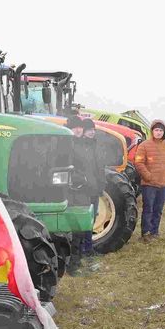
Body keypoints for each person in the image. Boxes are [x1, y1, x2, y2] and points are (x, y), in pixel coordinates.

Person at [68, 117, 102, 275]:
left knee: (90, 220)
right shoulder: (69, 145)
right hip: (78, 190)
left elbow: (96, 168)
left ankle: (84, 253)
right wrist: (83, 180)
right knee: (78, 226)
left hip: (91, 188)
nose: (78, 130)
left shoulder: (90, 146)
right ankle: (74, 262)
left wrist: (100, 184)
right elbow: (71, 168)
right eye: (75, 127)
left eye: (80, 127)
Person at [132, 120, 165, 241]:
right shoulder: (144, 145)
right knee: (148, 208)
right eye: (156, 130)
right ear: (152, 131)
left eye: (161, 130)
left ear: (164, 132)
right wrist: (148, 176)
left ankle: (155, 231)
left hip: (164, 184)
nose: (159, 132)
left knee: (158, 209)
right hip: (149, 185)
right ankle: (145, 232)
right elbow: (139, 162)